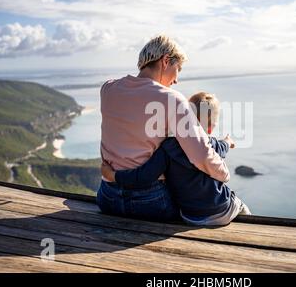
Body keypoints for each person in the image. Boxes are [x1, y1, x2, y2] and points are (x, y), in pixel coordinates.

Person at [97, 35, 230, 222]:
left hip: (107, 197)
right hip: (150, 202)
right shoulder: (171, 99)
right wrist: (224, 174)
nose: (176, 80)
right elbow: (201, 155)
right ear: (166, 61)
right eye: (178, 69)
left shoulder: (108, 89)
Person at [102, 92, 251, 226]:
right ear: (210, 128)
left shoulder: (167, 147)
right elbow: (221, 147)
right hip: (221, 209)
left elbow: (143, 176)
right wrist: (228, 141)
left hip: (190, 216)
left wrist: (113, 175)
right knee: (241, 206)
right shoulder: (209, 144)